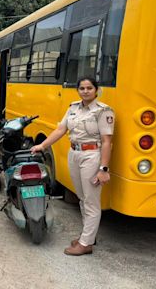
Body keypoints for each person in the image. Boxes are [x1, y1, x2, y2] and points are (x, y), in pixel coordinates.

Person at [30, 76, 114, 256]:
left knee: (91, 201)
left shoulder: (103, 111)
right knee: (82, 198)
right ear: (78, 90)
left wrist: (103, 169)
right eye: (82, 88)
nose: (85, 91)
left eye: (89, 88)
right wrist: (42, 146)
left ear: (96, 90)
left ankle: (85, 243)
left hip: (92, 156)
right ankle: (88, 237)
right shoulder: (73, 108)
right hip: (74, 154)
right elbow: (61, 129)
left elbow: (107, 142)